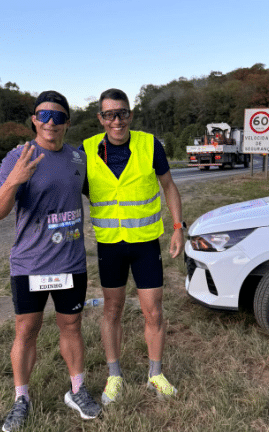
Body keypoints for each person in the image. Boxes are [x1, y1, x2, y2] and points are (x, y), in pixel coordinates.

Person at [0, 90, 101, 431]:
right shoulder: (18, 156)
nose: (51, 122)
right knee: (27, 329)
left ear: (68, 121)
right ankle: (21, 398)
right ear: (34, 120)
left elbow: (98, 193)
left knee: (71, 326)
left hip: (71, 262)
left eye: (59, 116)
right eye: (44, 115)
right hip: (30, 265)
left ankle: (77, 390)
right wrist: (14, 180)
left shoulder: (78, 159)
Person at [81, 88, 185, 405]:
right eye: (109, 114)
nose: (116, 120)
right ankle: (115, 376)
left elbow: (168, 185)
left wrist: (178, 227)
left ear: (130, 114)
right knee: (111, 310)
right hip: (110, 246)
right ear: (100, 118)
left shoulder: (149, 144)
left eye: (122, 113)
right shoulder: (85, 151)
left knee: (153, 311)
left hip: (145, 244)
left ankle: (156, 374)